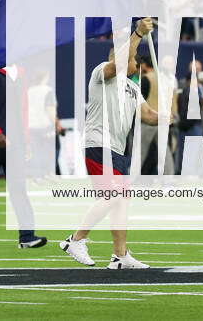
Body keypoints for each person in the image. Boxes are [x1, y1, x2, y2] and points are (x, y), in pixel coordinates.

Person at [59, 18, 155, 269]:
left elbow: (147, 115)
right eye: (134, 59)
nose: (137, 64)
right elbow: (121, 62)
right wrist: (138, 34)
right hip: (98, 143)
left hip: (118, 149)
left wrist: (168, 117)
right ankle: (75, 240)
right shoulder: (103, 72)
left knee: (121, 200)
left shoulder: (133, 89)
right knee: (114, 196)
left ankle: (120, 255)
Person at [0, 68, 47, 249]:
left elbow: (23, 108)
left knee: (19, 188)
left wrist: (26, 140)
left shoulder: (20, 73)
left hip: (16, 141)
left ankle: (26, 236)